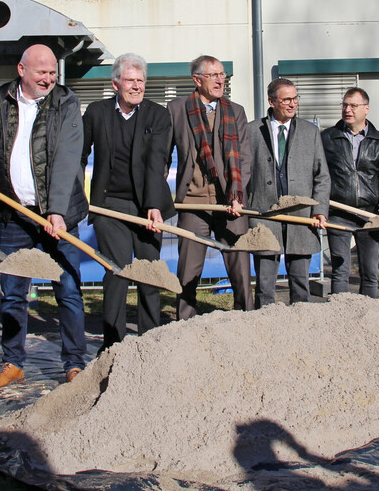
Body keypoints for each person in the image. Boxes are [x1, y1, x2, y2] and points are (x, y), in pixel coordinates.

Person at [0, 44, 88, 385]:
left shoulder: (65, 103)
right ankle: (12, 362)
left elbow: (68, 159)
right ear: (21, 70)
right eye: (42, 72)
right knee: (13, 291)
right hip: (16, 215)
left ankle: (74, 363)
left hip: (58, 215)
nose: (49, 79)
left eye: (53, 72)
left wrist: (56, 210)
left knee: (67, 289)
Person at [82, 53, 175, 349]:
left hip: (147, 206)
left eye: (141, 80)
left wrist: (154, 205)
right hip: (108, 206)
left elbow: (156, 161)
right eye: (130, 80)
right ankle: (113, 344)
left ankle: (149, 341)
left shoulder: (158, 115)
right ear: (115, 83)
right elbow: (79, 154)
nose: (136, 86)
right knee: (118, 272)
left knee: (149, 272)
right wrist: (74, 195)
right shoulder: (96, 113)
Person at [168, 55, 253, 318]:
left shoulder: (235, 111)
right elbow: (161, 154)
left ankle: (245, 319)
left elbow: (245, 157)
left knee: (240, 268)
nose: (220, 80)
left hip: (230, 203)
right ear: (197, 79)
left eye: (222, 75)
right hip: (192, 202)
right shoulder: (176, 109)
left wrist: (238, 195)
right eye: (213, 75)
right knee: (188, 272)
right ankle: (185, 325)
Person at [246, 79, 331, 306]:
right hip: (264, 217)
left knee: (301, 284)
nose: (293, 104)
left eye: (295, 98)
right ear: (272, 101)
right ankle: (264, 327)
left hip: (301, 218)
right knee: (264, 286)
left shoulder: (310, 132)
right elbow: (243, 174)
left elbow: (321, 175)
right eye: (287, 99)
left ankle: (301, 328)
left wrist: (320, 210)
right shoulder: (252, 131)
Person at [321, 87, 379, 297]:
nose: (348, 109)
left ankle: (368, 318)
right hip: (338, 212)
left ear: (366, 109)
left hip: (368, 215)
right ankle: (340, 315)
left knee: (370, 272)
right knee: (340, 271)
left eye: (353, 105)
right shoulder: (328, 138)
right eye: (345, 105)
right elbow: (320, 175)